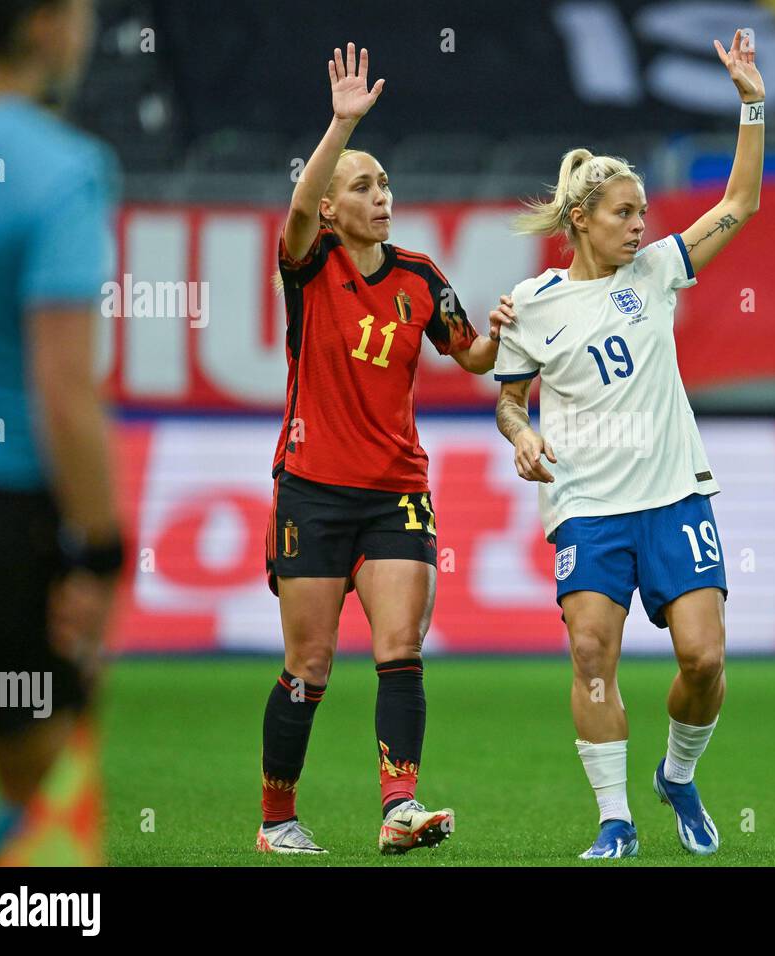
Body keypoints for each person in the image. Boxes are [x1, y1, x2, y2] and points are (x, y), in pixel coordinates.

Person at [490, 29, 765, 858]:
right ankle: (615, 819)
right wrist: (522, 437)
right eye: (624, 213)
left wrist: (751, 102)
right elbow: (507, 402)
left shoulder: (658, 273)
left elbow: (739, 205)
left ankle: (677, 776)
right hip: (587, 505)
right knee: (589, 653)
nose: (640, 226)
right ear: (581, 219)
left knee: (704, 658)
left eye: (643, 213)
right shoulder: (531, 304)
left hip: (674, 492)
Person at [258, 42, 505, 855]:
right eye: (363, 186)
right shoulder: (309, 265)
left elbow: (467, 354)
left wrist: (496, 339)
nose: (382, 196)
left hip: (397, 489)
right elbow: (294, 210)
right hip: (312, 488)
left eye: (385, 183)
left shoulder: (420, 278)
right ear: (330, 207)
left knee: (401, 650)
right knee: (311, 664)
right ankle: (277, 819)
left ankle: (399, 807)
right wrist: (341, 126)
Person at [0, 0, 121, 866]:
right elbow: (63, 391)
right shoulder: (61, 169)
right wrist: (98, 553)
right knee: (44, 790)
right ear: (47, 26)